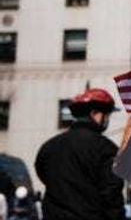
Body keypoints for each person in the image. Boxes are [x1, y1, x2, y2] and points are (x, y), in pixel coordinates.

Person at [34, 88, 125, 220]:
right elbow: (112, 195)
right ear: (95, 114)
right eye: (106, 114)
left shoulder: (49, 147)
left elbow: (43, 175)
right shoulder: (105, 148)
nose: (107, 120)